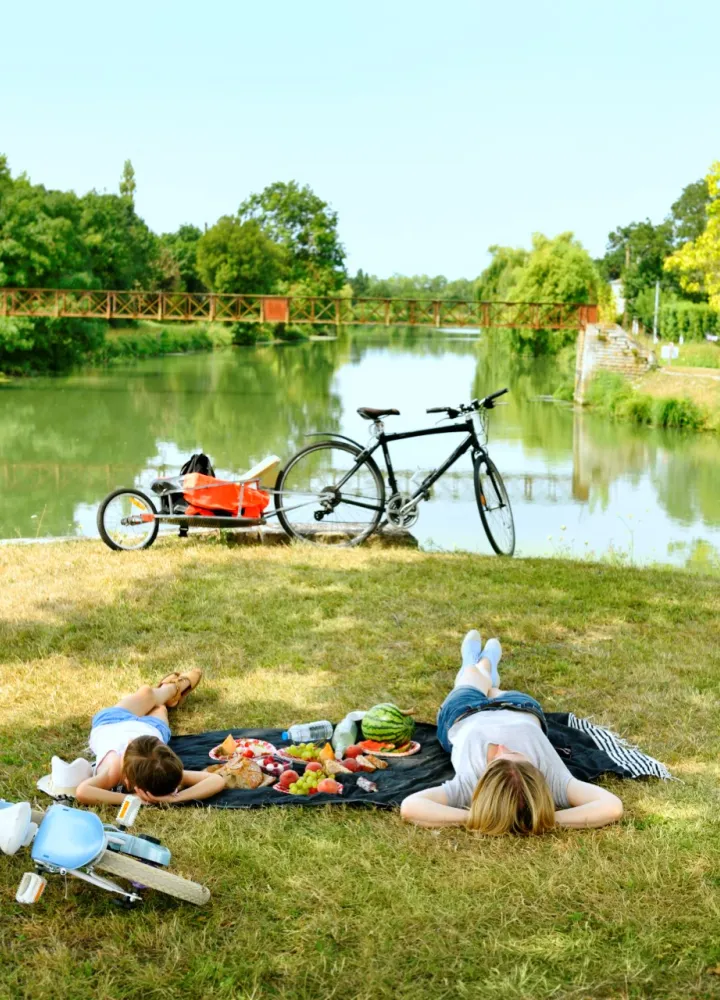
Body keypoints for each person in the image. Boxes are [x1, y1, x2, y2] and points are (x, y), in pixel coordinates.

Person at [400, 631, 623, 834]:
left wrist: (479, 818)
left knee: (470, 676)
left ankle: (477, 664)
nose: (502, 747)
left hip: (463, 712)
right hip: (518, 706)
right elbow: (611, 807)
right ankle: (487, 669)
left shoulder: (469, 785)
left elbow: (411, 807)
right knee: (489, 686)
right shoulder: (553, 779)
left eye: (496, 759)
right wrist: (545, 819)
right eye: (516, 755)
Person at [75, 669, 226, 806]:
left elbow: (83, 791)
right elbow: (216, 780)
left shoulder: (115, 771)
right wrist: (170, 798)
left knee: (153, 700)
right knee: (153, 700)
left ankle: (169, 690)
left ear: (127, 781)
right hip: (151, 728)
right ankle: (173, 688)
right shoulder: (160, 770)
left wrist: (176, 797)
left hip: (111, 722)